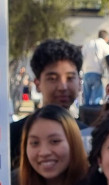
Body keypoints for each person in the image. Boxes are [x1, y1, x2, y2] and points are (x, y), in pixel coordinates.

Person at [9, 39, 87, 169]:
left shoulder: (87, 134)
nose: (62, 87)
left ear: (79, 83)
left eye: (70, 78)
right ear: (37, 84)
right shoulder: (15, 134)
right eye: (52, 78)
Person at [81, 30, 109, 106]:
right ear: (106, 38)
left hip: (87, 73)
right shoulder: (105, 46)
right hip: (97, 73)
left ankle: (85, 115)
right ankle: (94, 114)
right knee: (97, 99)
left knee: (86, 98)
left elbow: (81, 56)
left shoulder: (88, 44)